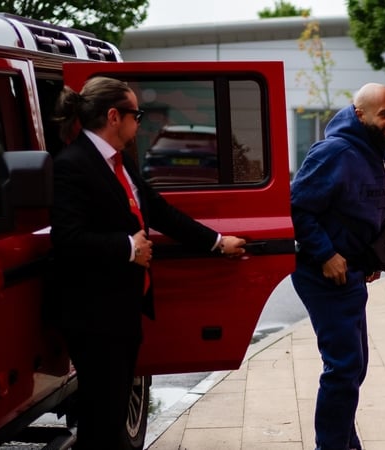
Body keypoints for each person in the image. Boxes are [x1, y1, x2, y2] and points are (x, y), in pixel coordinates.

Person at [49, 76, 246, 450]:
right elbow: (67, 239)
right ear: (113, 116)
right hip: (93, 315)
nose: (139, 122)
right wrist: (127, 247)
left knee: (111, 411)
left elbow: (161, 212)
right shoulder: (72, 165)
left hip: (121, 311)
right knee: (101, 415)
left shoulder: (118, 164)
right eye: (135, 114)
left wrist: (218, 242)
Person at [290, 82, 385, 450]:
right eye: (384, 113)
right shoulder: (334, 152)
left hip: (352, 271)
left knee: (355, 366)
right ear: (360, 114)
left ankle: (346, 442)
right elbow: (298, 207)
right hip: (323, 274)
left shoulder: (374, 152)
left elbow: (369, 208)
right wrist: (325, 254)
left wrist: (372, 256)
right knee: (343, 368)